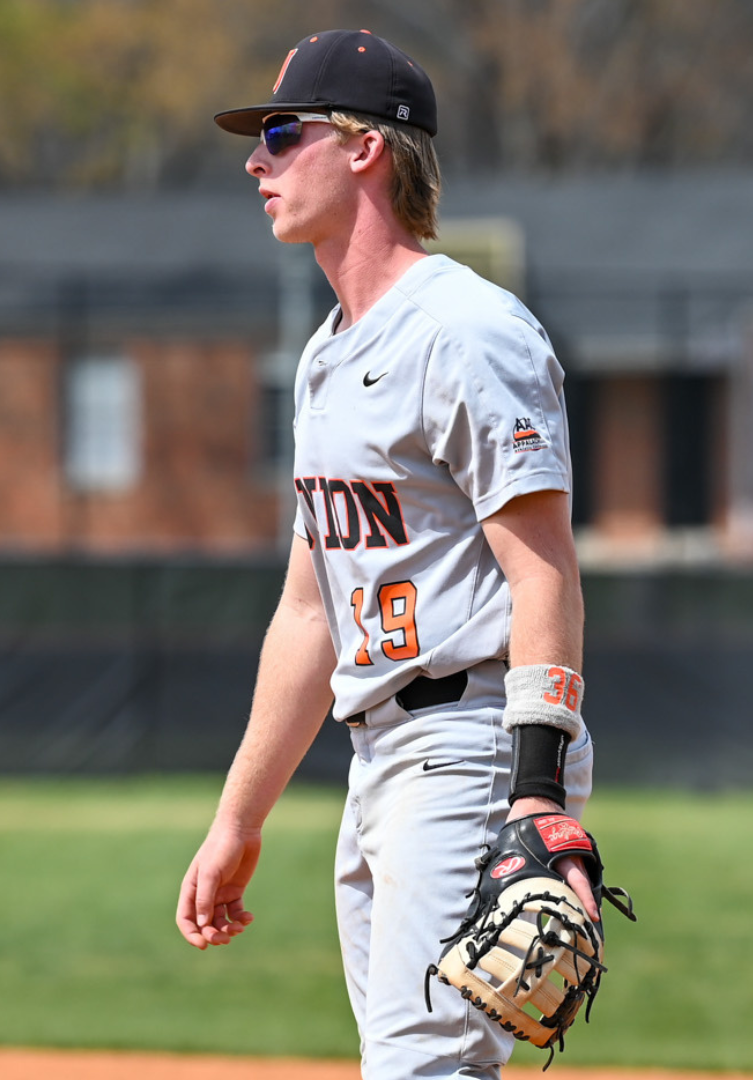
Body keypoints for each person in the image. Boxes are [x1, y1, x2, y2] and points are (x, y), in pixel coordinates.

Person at [174, 29, 600, 1080]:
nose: (256, 161)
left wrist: (536, 789)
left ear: (365, 148)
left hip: (472, 742)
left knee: (421, 1070)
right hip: (380, 756)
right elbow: (308, 612)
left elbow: (543, 568)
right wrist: (239, 819)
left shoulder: (467, 331)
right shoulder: (327, 353)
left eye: (281, 133)